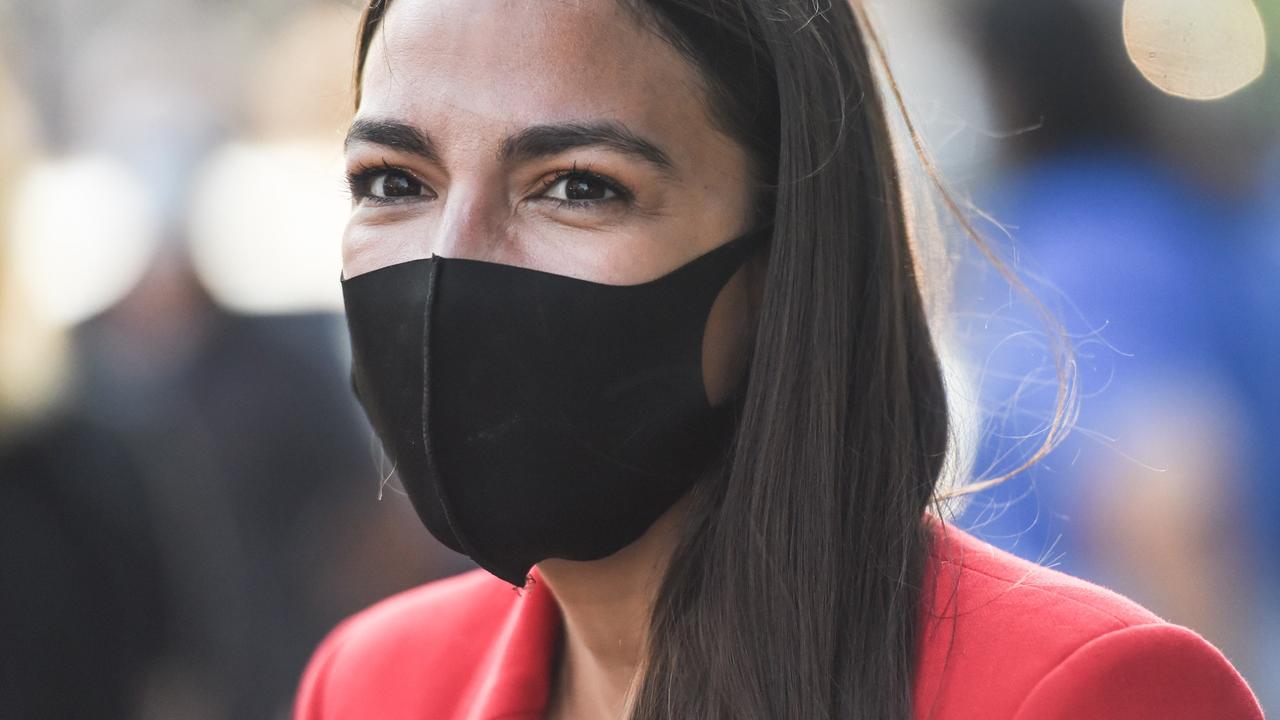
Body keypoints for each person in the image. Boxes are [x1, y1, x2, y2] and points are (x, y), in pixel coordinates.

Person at [293, 0, 1264, 718]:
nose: (450, 256)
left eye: (579, 186)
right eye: (391, 180)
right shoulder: (369, 683)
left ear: (781, 253)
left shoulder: (1085, 694)